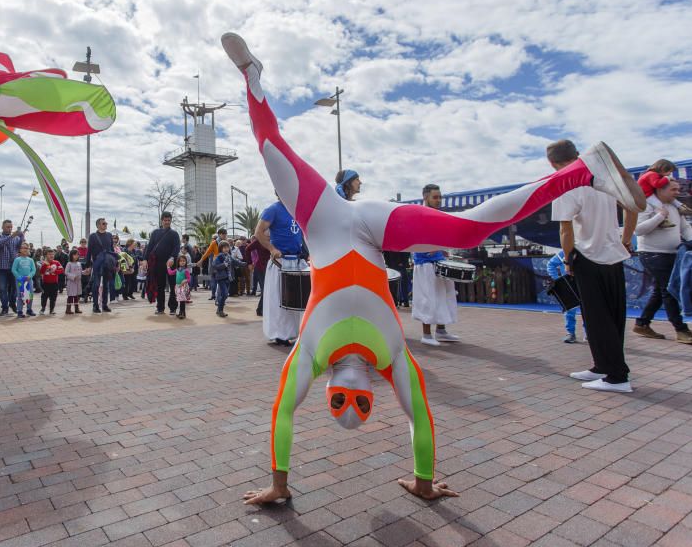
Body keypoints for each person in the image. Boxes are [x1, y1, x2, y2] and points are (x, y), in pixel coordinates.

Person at [220, 32, 645, 504]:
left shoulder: (310, 353)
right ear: (373, 398)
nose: (352, 394)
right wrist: (423, 482)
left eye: (339, 401)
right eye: (361, 404)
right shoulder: (394, 358)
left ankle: (251, 75)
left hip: (322, 220)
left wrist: (279, 485)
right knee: (466, 231)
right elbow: (418, 417)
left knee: (269, 146)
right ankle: (582, 171)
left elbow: (283, 413)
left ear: (324, 391)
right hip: (371, 227)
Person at [549, 139, 640, 393]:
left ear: (553, 163)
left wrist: (567, 260)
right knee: (612, 315)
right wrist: (626, 239)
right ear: (577, 155)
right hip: (613, 255)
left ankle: (617, 376)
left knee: (596, 318)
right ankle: (602, 366)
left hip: (587, 256)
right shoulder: (603, 178)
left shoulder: (565, 184)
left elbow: (565, 229)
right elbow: (633, 207)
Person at [632, 178, 692, 345]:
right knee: (668, 291)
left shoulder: (674, 207)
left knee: (660, 291)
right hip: (652, 254)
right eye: (674, 190)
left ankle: (642, 324)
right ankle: (681, 330)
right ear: (660, 190)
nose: (678, 192)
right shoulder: (647, 204)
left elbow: (685, 228)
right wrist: (659, 216)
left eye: (678, 189)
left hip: (672, 254)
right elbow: (638, 229)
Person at [411, 184, 461, 347]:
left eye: (440, 197)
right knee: (427, 298)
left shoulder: (439, 215)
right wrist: (428, 249)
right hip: (424, 263)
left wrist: (443, 250)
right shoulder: (418, 216)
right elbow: (412, 239)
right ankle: (426, 334)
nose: (439, 200)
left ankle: (441, 331)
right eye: (435, 197)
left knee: (444, 295)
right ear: (425, 197)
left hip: (439, 261)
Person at [255, 196, 305, 346]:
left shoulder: (296, 210)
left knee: (297, 301)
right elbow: (258, 232)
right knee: (280, 301)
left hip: (297, 260)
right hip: (280, 262)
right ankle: (280, 334)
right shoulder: (273, 210)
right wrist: (272, 248)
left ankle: (295, 332)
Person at [143, 212, 181, 315]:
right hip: (158, 263)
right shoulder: (155, 233)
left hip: (171, 263)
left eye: (169, 220)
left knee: (173, 286)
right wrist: (145, 259)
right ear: (162, 220)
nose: (167, 222)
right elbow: (150, 247)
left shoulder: (174, 234)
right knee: (160, 286)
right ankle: (160, 307)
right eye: (165, 220)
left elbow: (177, 247)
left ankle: (173, 307)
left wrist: (172, 257)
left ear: (171, 221)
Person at [546, 250, 581, 344]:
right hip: (569, 286)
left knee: (588, 311)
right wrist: (559, 281)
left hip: (584, 285)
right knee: (570, 310)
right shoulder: (564, 252)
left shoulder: (585, 250)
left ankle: (589, 334)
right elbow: (550, 265)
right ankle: (570, 333)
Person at [0, 220, 24, 316]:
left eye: (11, 227)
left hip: (13, 268)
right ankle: (5, 308)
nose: (9, 229)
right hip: (1, 268)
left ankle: (12, 303)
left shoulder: (16, 238)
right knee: (2, 289)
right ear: (2, 227)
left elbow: (19, 247)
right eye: (7, 227)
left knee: (14, 288)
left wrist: (21, 236)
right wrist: (12, 236)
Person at [86, 217, 115, 313]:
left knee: (106, 285)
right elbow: (89, 251)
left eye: (106, 223)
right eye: (103, 223)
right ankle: (95, 306)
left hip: (108, 263)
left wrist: (116, 262)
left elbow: (112, 250)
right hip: (97, 263)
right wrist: (88, 265)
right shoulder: (93, 236)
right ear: (98, 225)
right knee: (96, 285)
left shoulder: (109, 235)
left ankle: (104, 305)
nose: (106, 225)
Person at [197, 228, 229, 299]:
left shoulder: (216, 242)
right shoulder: (217, 242)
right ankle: (217, 296)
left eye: (225, 234)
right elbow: (207, 252)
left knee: (215, 280)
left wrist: (201, 260)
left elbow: (207, 252)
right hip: (219, 265)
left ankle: (215, 295)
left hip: (219, 264)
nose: (224, 236)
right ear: (219, 234)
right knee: (218, 281)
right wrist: (201, 260)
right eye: (223, 234)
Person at [11, 243, 36, 317]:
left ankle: (29, 309)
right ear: (20, 250)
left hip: (29, 280)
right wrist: (19, 277)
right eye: (23, 248)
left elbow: (33, 270)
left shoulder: (30, 260)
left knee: (30, 295)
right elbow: (13, 270)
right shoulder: (17, 259)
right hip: (20, 281)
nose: (25, 249)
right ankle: (20, 311)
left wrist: (30, 276)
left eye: (27, 248)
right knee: (20, 295)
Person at [212, 241, 235, 317]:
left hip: (228, 278)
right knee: (225, 294)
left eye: (227, 247)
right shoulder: (219, 256)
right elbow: (215, 265)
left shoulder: (229, 256)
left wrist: (244, 263)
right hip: (221, 278)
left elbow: (236, 261)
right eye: (224, 248)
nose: (226, 249)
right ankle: (220, 310)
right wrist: (224, 265)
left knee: (225, 295)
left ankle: (219, 309)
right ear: (221, 249)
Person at [39, 249, 63, 315]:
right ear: (46, 255)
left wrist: (54, 271)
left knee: (53, 297)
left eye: (52, 254)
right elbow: (41, 272)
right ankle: (43, 308)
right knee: (44, 297)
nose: (51, 255)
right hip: (45, 283)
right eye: (49, 254)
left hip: (54, 283)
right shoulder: (44, 263)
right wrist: (44, 265)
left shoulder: (57, 262)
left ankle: (52, 309)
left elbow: (61, 270)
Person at [170, 254, 191, 319]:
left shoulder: (186, 270)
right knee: (180, 300)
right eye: (181, 261)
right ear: (178, 262)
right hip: (178, 287)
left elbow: (189, 279)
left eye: (184, 261)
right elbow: (170, 273)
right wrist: (168, 267)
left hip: (183, 287)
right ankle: (181, 313)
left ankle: (182, 313)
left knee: (182, 301)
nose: (182, 262)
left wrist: (185, 280)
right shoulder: (177, 270)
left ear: (186, 262)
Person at [64, 250, 84, 314]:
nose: (76, 256)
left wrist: (85, 272)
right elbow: (66, 272)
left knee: (76, 296)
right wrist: (73, 276)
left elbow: (81, 271)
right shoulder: (69, 263)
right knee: (70, 296)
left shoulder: (79, 263)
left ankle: (76, 308)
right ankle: (68, 309)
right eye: (75, 255)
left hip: (78, 282)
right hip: (71, 282)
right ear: (71, 255)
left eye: (77, 255)